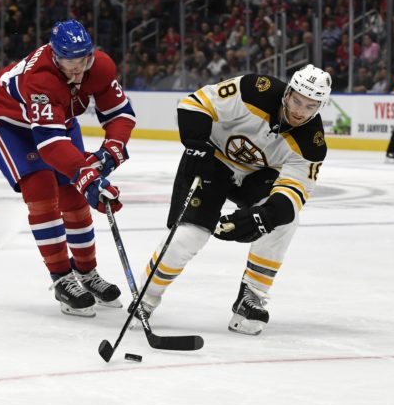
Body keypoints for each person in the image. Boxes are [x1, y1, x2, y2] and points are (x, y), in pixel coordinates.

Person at [134, 64, 332, 335]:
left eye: (310, 107)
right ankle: (146, 296)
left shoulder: (313, 142)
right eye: (297, 100)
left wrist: (263, 217)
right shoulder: (255, 90)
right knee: (189, 235)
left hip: (257, 176)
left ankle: (252, 295)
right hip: (211, 159)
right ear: (287, 92)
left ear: (320, 106)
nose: (300, 111)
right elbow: (196, 104)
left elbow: (293, 193)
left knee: (285, 220)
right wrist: (196, 144)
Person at [0, 20, 136, 317]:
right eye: (69, 61)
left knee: (76, 197)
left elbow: (121, 114)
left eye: (83, 60)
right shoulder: (40, 78)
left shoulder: (99, 67)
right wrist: (86, 174)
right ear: (54, 55)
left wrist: (113, 148)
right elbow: (50, 144)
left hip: (57, 121)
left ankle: (87, 273)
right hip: (8, 125)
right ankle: (62, 278)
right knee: (41, 189)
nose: (78, 69)